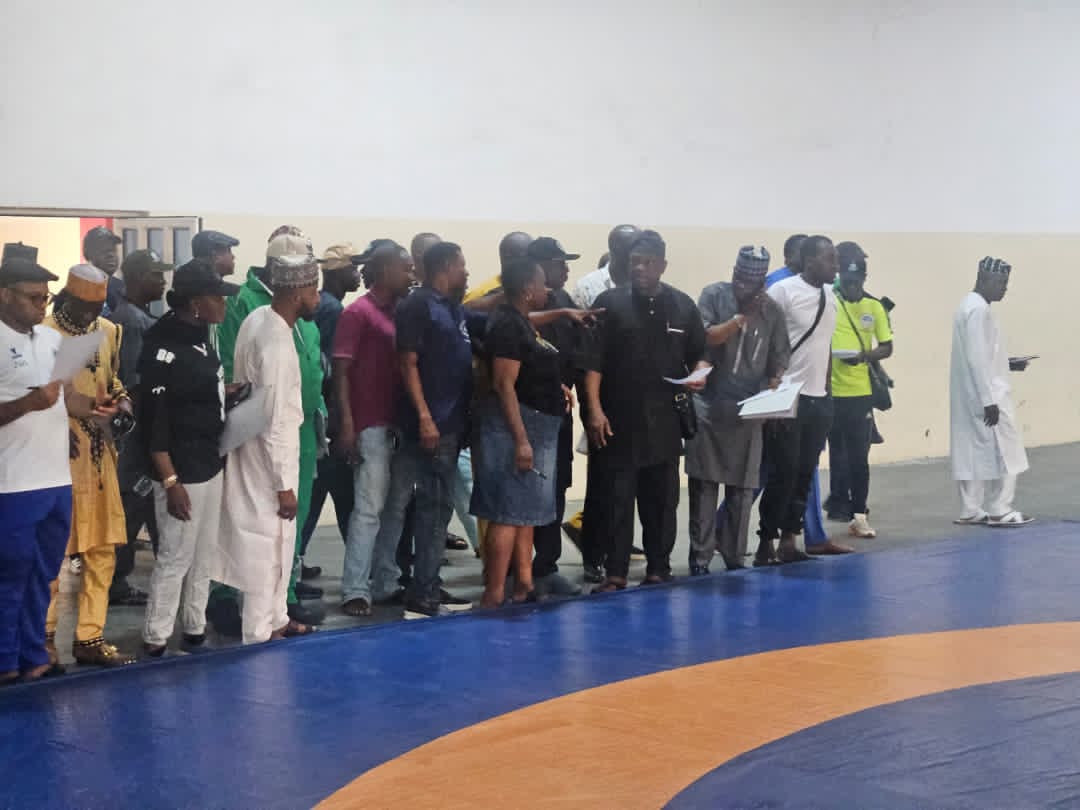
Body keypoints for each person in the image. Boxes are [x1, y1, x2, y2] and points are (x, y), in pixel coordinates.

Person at [0, 253, 116, 682]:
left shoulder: (51, 340)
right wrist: (28, 403)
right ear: (4, 295)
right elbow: (36, 402)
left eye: (45, 297)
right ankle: (4, 660)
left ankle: (34, 655)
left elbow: (68, 400)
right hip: (13, 483)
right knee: (10, 575)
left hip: (55, 480)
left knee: (44, 573)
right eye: (32, 297)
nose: (41, 305)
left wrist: (96, 407)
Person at [211, 228, 326, 633]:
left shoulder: (258, 318)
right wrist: (283, 486)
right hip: (269, 459)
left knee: (277, 542)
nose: (318, 299)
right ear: (295, 293)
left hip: (252, 447)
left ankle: (278, 617)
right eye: (313, 291)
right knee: (267, 548)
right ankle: (259, 635)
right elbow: (275, 422)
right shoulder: (276, 341)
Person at [583, 230, 706, 590]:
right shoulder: (610, 303)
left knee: (662, 502)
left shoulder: (683, 305)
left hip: (666, 421)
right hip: (618, 420)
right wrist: (594, 410)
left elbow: (700, 352)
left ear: (662, 265)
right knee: (616, 501)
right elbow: (592, 363)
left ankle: (658, 568)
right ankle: (615, 572)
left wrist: (699, 373)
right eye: (634, 262)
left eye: (647, 262)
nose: (639, 268)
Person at [138, 260, 240, 657]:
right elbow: (155, 422)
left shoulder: (200, 338)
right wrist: (170, 481)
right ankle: (156, 636)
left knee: (204, 554)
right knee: (175, 556)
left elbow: (194, 392)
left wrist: (223, 394)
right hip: (179, 469)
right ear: (196, 303)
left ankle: (194, 627)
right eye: (217, 297)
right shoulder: (161, 348)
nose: (223, 304)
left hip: (209, 459)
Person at [376, 241, 480, 618]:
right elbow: (407, 363)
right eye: (462, 265)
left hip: (449, 425)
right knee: (431, 509)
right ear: (446, 266)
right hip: (429, 425)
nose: (466, 272)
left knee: (438, 508)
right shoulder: (418, 305)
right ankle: (421, 593)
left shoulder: (451, 306)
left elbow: (482, 312)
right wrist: (424, 417)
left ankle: (428, 582)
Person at [44, 264, 136, 667]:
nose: (89, 315)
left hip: (100, 458)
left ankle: (89, 637)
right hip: (57, 458)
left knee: (102, 550)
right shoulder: (44, 333)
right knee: (54, 551)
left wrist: (123, 407)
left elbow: (114, 382)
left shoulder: (109, 331)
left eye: (97, 307)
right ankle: (43, 637)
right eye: (83, 306)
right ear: (68, 297)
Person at [471, 257, 572, 607]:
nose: (547, 289)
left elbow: (530, 366)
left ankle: (524, 584)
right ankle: (495, 591)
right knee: (507, 513)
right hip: (515, 431)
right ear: (528, 289)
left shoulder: (520, 321)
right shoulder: (507, 326)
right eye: (542, 283)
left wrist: (555, 386)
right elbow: (504, 385)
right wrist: (521, 440)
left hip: (538, 428)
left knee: (525, 513)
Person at [686, 246, 789, 574]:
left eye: (750, 282)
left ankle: (734, 557)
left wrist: (774, 387)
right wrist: (740, 316)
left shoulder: (772, 312)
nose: (742, 285)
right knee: (704, 487)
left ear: (762, 282)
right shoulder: (714, 295)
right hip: (709, 407)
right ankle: (700, 559)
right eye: (739, 278)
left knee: (742, 490)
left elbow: (778, 360)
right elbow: (707, 337)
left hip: (747, 411)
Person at [332, 240, 415, 617]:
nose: (411, 275)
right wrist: (347, 425)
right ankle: (355, 588)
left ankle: (385, 581)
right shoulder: (358, 313)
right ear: (384, 271)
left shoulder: (401, 312)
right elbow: (341, 372)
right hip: (369, 424)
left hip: (399, 424)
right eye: (405, 269)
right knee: (368, 509)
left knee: (395, 509)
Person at [759, 236, 850, 563]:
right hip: (788, 397)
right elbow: (763, 341)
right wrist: (769, 392)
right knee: (781, 474)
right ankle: (765, 542)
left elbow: (824, 345)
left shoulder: (830, 295)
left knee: (803, 474)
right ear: (809, 260)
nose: (836, 266)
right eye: (830, 259)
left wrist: (827, 391)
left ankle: (789, 540)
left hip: (818, 398)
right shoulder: (782, 291)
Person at [572, 224, 645, 582]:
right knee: (602, 481)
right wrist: (591, 405)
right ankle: (594, 555)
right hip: (600, 393)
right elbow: (582, 346)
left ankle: (620, 547)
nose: (638, 259)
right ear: (616, 250)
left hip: (638, 398)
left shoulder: (647, 288)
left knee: (633, 481)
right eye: (632, 251)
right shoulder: (588, 288)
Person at [525, 237, 586, 598]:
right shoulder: (519, 303)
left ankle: (546, 564)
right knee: (529, 490)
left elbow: (576, 350)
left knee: (557, 486)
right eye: (559, 262)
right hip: (529, 414)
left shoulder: (564, 300)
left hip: (560, 413)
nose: (565, 269)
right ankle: (523, 568)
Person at [108, 249, 170, 608]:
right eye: (155, 274)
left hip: (143, 436)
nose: (162, 281)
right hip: (136, 439)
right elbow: (133, 385)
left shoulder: (140, 316)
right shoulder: (131, 322)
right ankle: (114, 581)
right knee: (131, 508)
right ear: (135, 278)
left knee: (144, 508)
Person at [950, 256, 1031, 526]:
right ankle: (1000, 508)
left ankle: (970, 509)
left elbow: (980, 354)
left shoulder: (967, 305)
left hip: (971, 392)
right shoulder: (979, 310)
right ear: (984, 279)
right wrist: (989, 401)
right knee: (1007, 450)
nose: (1005, 288)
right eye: (1000, 282)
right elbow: (976, 357)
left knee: (971, 451)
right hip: (988, 394)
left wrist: (1006, 363)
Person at [296, 243, 361, 579]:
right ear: (337, 272)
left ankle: (297, 560)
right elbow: (333, 370)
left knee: (318, 493)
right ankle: (360, 571)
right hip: (329, 417)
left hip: (321, 416)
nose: (358, 274)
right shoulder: (334, 310)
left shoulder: (324, 305)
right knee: (343, 497)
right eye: (353, 268)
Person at [827, 242, 893, 538]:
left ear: (864, 279)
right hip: (829, 393)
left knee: (858, 457)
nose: (852, 287)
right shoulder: (829, 302)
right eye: (847, 281)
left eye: (857, 282)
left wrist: (865, 356)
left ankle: (859, 514)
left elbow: (887, 346)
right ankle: (836, 502)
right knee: (835, 452)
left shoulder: (874, 307)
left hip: (860, 393)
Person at [462, 231, 532, 305]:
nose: (535, 263)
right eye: (530, 257)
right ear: (508, 259)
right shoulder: (479, 297)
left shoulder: (535, 288)